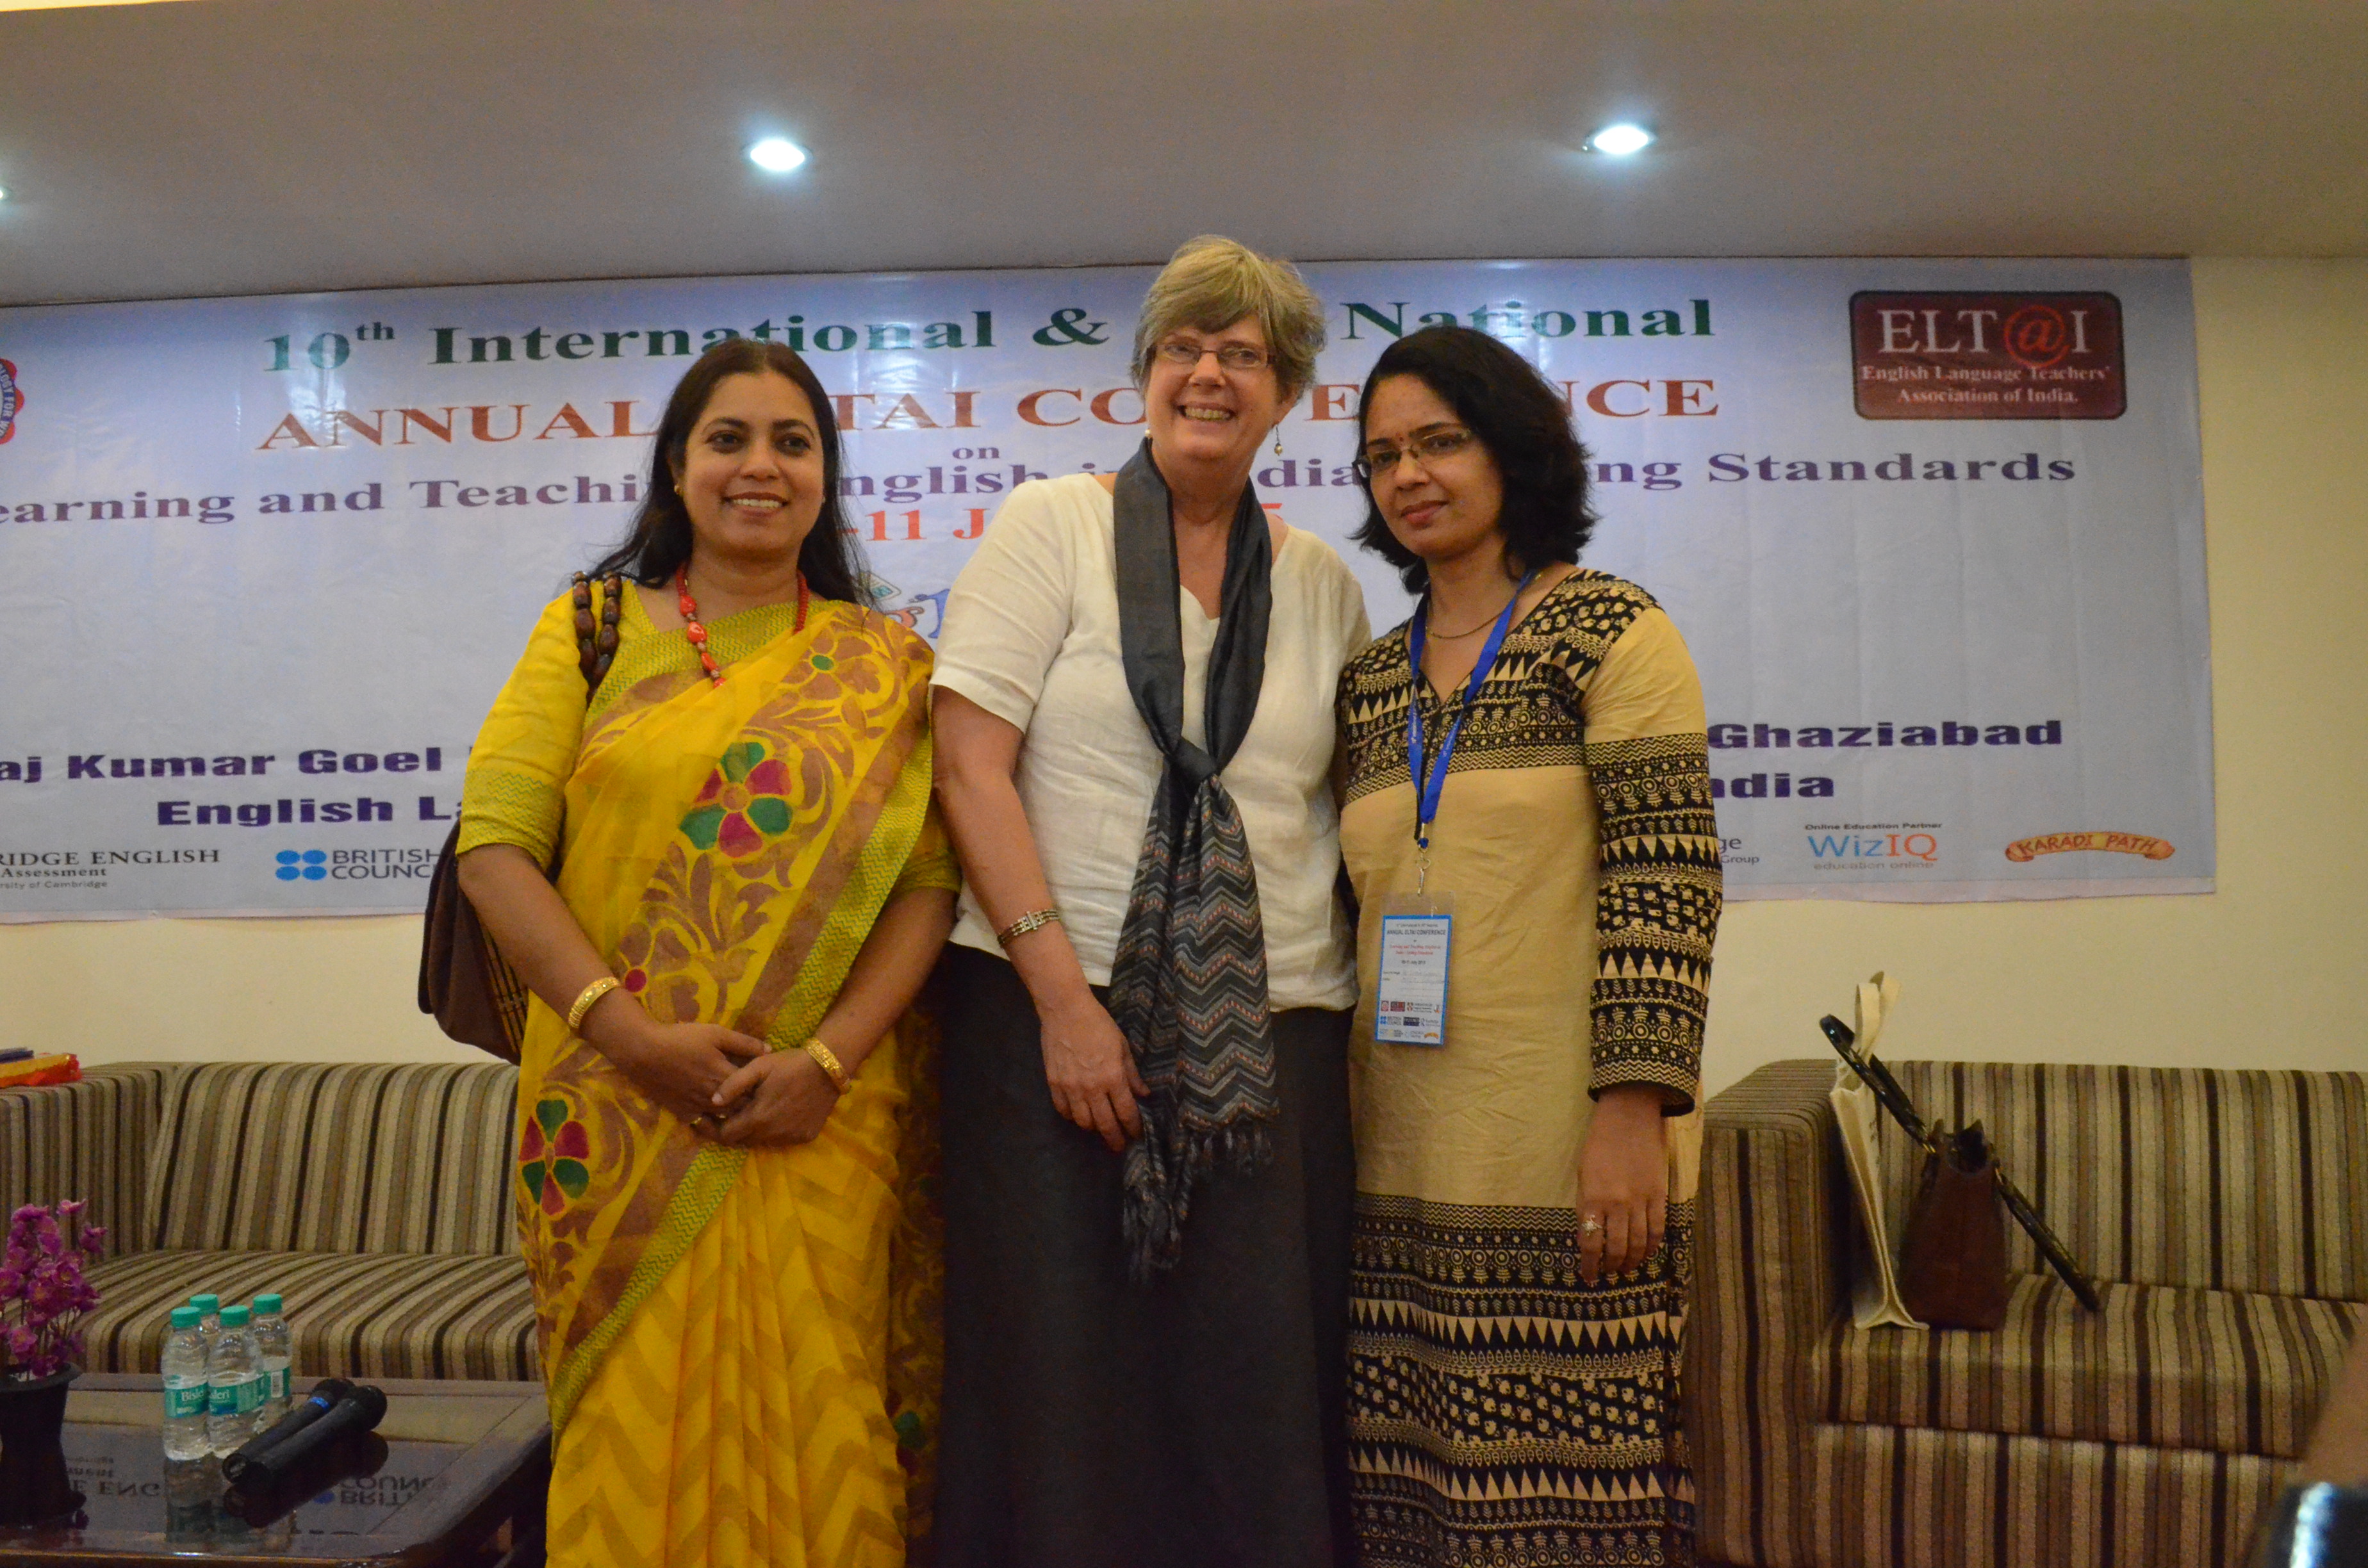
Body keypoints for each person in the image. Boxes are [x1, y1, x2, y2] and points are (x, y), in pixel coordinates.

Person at [456, 338, 958, 1567]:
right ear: (677, 468)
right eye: (728, 439)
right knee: (633, 1431)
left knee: (824, 1415)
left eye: (793, 442)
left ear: (826, 477)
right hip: (615, 1107)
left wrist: (827, 1065)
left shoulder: (885, 663)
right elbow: (494, 851)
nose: (760, 467)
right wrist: (632, 1039)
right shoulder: (589, 628)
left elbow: (927, 891)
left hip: (819, 1119)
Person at [928, 235, 1370, 1567]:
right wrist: (1065, 1006)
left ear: (1288, 394)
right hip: (1047, 1020)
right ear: (1144, 374)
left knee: (1251, 1385)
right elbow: (968, 764)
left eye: (1244, 354)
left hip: (1269, 1032)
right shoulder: (1049, 524)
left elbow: (1342, 808)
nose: (1210, 374)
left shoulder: (1321, 582)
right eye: (1184, 347)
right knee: (1066, 1377)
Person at [1333, 324, 1723, 1567]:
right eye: (1384, 455)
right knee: (1412, 1494)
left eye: (1441, 442)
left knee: (1577, 1497)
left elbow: (1667, 873)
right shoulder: (1370, 679)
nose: (1409, 475)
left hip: (1568, 1151)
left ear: (1512, 449)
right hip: (1396, 1159)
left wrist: (1634, 1110)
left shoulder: (1609, 629)